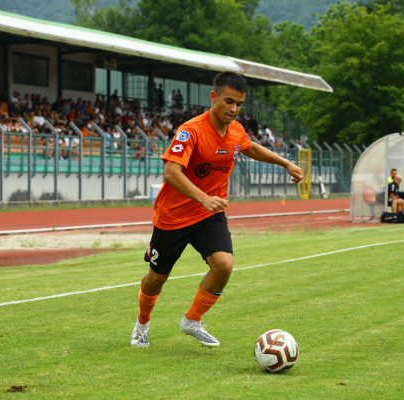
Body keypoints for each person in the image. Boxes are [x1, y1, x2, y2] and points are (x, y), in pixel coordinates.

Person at [130, 72, 303, 348]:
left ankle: (192, 320)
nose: (234, 110)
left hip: (209, 215)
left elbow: (251, 148)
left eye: (240, 104)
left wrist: (286, 163)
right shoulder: (191, 131)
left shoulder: (236, 130)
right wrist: (203, 198)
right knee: (156, 278)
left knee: (223, 265)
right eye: (229, 102)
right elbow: (171, 172)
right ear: (214, 97)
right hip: (173, 218)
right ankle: (141, 324)